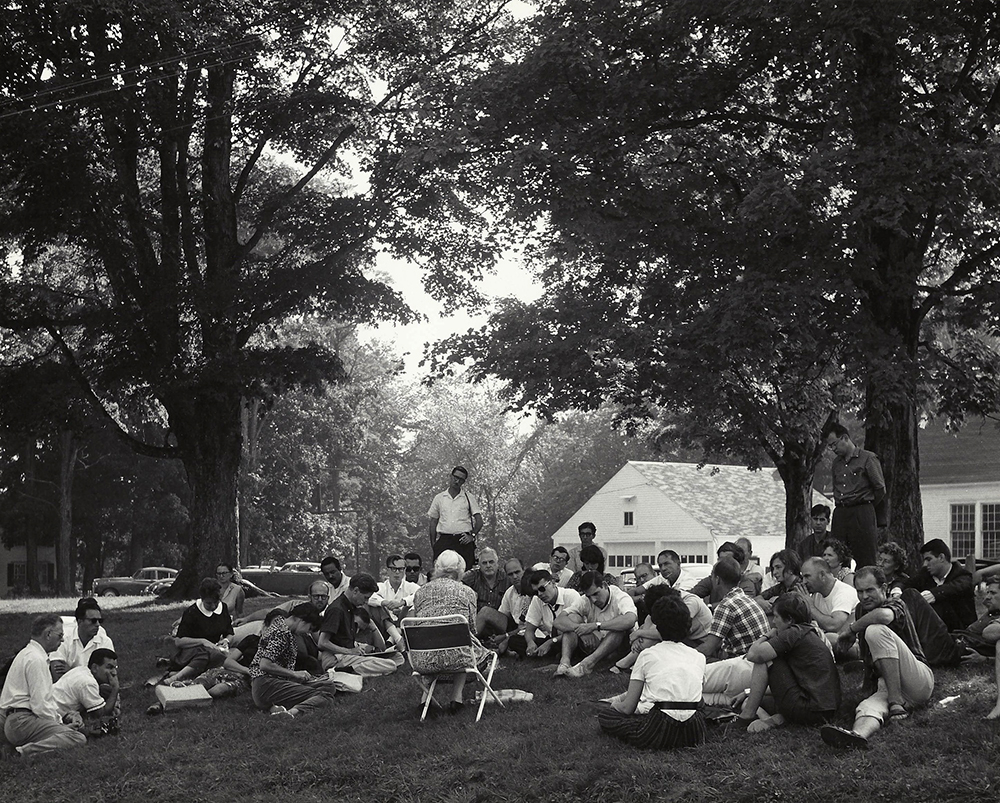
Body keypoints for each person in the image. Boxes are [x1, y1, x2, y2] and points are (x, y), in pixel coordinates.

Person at [821, 565, 933, 750]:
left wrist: (851, 629)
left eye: (870, 590)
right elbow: (868, 657)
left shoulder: (896, 603)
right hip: (887, 683)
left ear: (884, 588)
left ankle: (896, 703)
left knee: (874, 631)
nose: (864, 596)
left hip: (918, 681)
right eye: (860, 591)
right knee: (866, 707)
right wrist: (868, 687)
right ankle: (856, 736)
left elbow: (882, 616)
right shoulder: (860, 610)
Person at [597, 591, 707, 750]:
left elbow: (628, 707)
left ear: (658, 626)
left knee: (607, 716)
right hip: (695, 732)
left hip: (661, 727)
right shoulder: (698, 656)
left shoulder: (647, 655)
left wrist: (614, 707)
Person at [730, 595, 840, 733]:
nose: (774, 622)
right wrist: (748, 692)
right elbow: (787, 680)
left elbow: (754, 655)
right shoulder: (808, 632)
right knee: (757, 700)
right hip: (825, 711)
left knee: (765, 658)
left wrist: (766, 635)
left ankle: (746, 717)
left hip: (809, 709)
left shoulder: (793, 633)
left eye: (776, 617)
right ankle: (778, 718)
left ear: (789, 620)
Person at [411, 550, 492, 715]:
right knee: (462, 643)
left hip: (422, 659)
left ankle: (425, 701)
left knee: (434, 640)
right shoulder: (467, 592)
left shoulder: (420, 592)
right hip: (458, 657)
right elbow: (472, 629)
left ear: (437, 568)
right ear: (460, 569)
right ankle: (457, 699)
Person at [0, 614, 87, 757]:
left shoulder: (27, 653)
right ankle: (23, 751)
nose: (63, 640)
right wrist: (60, 725)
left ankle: (16, 745)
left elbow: (44, 701)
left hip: (14, 720)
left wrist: (65, 716)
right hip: (22, 723)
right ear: (48, 634)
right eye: (60, 635)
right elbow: (40, 705)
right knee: (77, 738)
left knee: (71, 731)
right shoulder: (36, 659)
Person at [250, 605, 334, 720]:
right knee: (325, 697)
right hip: (267, 684)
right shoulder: (281, 634)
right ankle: (292, 712)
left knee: (328, 685)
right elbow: (265, 664)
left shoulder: (281, 624)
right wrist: (294, 674)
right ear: (301, 620)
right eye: (309, 628)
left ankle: (278, 707)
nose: (307, 633)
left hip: (272, 682)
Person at [822, 421, 887, 569]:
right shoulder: (836, 464)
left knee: (865, 557)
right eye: (830, 446)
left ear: (845, 438)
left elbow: (880, 488)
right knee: (836, 556)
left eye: (834, 444)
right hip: (841, 513)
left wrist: (866, 506)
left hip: (861, 512)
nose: (832, 449)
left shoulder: (868, 458)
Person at [613, 582, 712, 674]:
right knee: (652, 623)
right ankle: (634, 660)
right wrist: (639, 636)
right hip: (683, 638)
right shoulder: (673, 600)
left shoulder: (690, 603)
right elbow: (651, 619)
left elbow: (671, 631)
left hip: (699, 642)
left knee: (659, 633)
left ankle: (628, 662)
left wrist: (639, 633)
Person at [555, 570, 638, 678]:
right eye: (589, 596)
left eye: (596, 594)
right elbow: (558, 621)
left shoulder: (620, 597)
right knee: (572, 618)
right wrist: (581, 629)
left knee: (619, 627)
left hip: (623, 645)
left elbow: (630, 620)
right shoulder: (585, 600)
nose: (593, 600)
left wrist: (595, 626)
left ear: (604, 585)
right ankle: (565, 662)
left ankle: (587, 664)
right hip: (598, 642)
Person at [317, 573, 401, 676]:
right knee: (390, 665)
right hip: (335, 658)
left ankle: (351, 669)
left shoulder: (350, 607)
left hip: (348, 656)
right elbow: (322, 642)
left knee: (398, 658)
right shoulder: (337, 609)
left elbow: (381, 647)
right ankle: (341, 671)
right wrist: (350, 651)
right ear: (355, 591)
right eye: (365, 598)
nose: (366, 602)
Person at [162, 578, 234, 684]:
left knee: (223, 655)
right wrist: (202, 641)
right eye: (209, 604)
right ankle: (177, 677)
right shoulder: (192, 612)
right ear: (202, 598)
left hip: (213, 649)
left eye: (216, 602)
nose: (213, 606)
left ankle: (189, 673)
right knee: (204, 653)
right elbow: (179, 642)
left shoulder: (223, 608)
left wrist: (226, 641)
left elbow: (230, 633)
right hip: (189, 652)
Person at [696, 556, 769, 661]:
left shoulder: (726, 606)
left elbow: (708, 648)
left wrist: (684, 654)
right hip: (758, 660)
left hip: (744, 663)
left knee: (700, 663)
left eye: (712, 575)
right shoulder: (746, 598)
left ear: (717, 580)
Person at [903, 539, 977, 632]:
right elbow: (907, 583)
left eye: (929, 559)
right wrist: (897, 590)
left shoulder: (963, 576)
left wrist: (932, 594)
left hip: (959, 633)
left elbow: (957, 586)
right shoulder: (925, 574)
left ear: (941, 557)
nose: (925, 564)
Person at [51, 648, 120, 736]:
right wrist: (115, 689)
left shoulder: (82, 669)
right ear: (95, 668)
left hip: (50, 704)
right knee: (81, 733)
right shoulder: (88, 682)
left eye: (115, 667)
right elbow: (101, 714)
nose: (114, 672)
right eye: (109, 667)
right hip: (53, 714)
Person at [427, 465, 483, 569]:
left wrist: (472, 536)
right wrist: (434, 545)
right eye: (455, 477)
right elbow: (433, 522)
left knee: (466, 573)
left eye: (461, 479)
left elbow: (479, 520)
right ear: (450, 476)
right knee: (441, 572)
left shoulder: (468, 497)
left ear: (464, 482)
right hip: (444, 540)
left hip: (463, 541)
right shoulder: (439, 498)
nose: (457, 481)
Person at [49, 597, 115, 680]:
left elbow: (109, 676)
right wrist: (92, 676)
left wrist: (71, 671)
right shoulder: (64, 639)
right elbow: (57, 675)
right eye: (93, 620)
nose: (98, 624)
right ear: (79, 621)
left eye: (100, 620)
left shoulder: (105, 642)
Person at [799, 556, 857, 651]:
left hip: (849, 644)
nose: (804, 582)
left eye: (807, 576)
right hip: (828, 642)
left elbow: (833, 626)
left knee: (828, 638)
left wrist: (809, 605)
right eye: (803, 577)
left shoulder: (844, 592)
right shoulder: (816, 594)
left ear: (822, 575)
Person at [523, 570, 582, 661]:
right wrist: (530, 643)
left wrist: (550, 642)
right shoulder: (537, 600)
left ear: (553, 583)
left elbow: (578, 630)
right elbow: (529, 630)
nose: (540, 594)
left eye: (542, 589)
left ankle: (560, 656)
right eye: (536, 592)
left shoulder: (571, 595)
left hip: (573, 638)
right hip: (552, 639)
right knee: (514, 641)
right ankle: (548, 653)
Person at [482, 558, 530, 653]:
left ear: (524, 570)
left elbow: (527, 626)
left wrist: (506, 636)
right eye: (510, 574)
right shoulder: (510, 592)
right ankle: (471, 643)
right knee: (485, 612)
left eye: (517, 572)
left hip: (532, 631)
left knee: (514, 641)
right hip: (516, 626)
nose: (515, 576)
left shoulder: (533, 592)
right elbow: (502, 615)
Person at [462, 547, 510, 635]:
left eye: (491, 562)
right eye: (484, 563)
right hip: (479, 623)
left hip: (502, 621)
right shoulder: (472, 576)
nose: (488, 565)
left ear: (497, 563)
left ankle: (467, 641)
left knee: (486, 612)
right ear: (479, 565)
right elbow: (456, 584)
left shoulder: (506, 577)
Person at [689, 542, 759, 602]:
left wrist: (709, 607)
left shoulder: (746, 584)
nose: (721, 563)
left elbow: (738, 604)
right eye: (720, 559)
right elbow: (692, 593)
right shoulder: (712, 579)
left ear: (737, 563)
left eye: (726, 560)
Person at [756, 549, 805, 614]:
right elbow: (757, 598)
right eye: (773, 569)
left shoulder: (801, 586)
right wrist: (760, 602)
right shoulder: (781, 586)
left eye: (778, 567)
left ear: (791, 568)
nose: (774, 572)